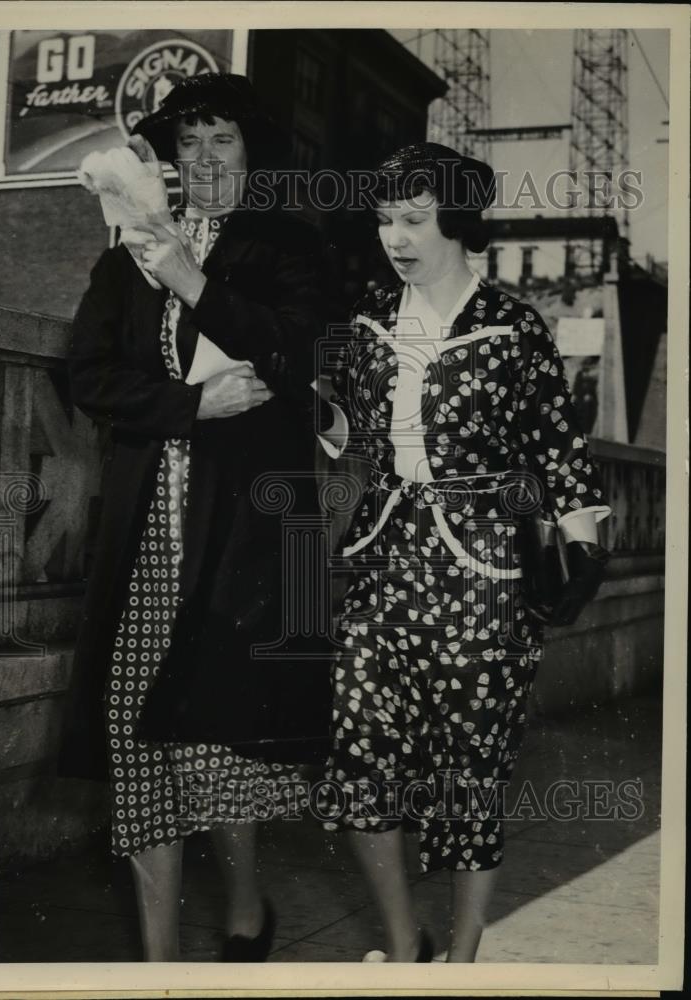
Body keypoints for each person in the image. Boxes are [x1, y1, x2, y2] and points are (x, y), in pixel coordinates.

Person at [59, 73, 331, 963]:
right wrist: (188, 406)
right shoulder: (121, 257)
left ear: (251, 153)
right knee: (137, 742)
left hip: (242, 539)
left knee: (217, 745)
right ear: (168, 156)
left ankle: (248, 909)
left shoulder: (288, 248)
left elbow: (292, 359)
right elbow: (86, 374)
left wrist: (184, 270)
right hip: (145, 538)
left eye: (223, 141)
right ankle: (160, 962)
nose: (205, 158)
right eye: (189, 142)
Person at [316, 142, 611, 962]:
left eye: (414, 220)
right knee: (361, 749)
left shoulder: (514, 326)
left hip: (486, 564)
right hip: (383, 553)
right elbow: (357, 440)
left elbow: (557, 448)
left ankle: (463, 958)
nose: (395, 238)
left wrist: (584, 551)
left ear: (457, 222)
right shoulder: (370, 322)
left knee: (469, 766)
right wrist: (309, 408)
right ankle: (405, 947)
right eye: (384, 221)